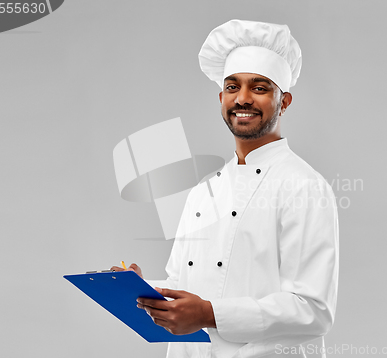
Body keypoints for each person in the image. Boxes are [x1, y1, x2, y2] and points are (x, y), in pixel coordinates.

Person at [112, 19, 339, 358]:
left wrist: (209, 314)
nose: (242, 99)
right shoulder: (204, 192)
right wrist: (145, 290)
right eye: (233, 87)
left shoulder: (303, 186)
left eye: (259, 88)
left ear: (284, 101)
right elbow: (186, 285)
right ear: (221, 97)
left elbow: (313, 310)